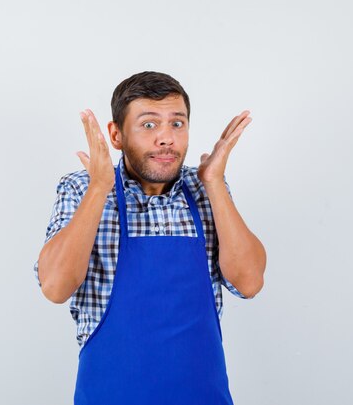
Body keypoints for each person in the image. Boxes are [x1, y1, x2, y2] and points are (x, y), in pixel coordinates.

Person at [34, 71, 266, 404]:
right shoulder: (81, 187)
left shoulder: (205, 190)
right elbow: (55, 287)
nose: (166, 138)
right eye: (148, 125)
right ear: (116, 135)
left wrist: (214, 182)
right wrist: (99, 188)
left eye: (177, 123)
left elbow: (249, 282)